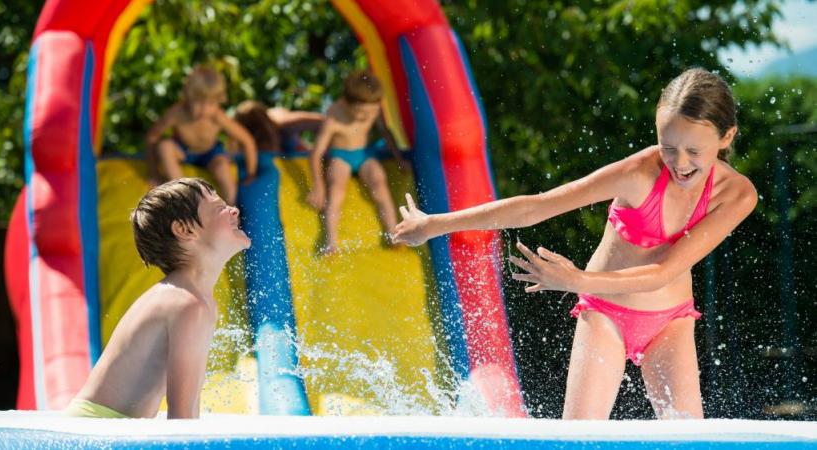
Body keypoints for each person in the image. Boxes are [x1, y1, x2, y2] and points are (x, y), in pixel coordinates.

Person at [393, 68, 757, 419]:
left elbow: (663, 271)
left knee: (686, 438)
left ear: (726, 137)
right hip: (605, 314)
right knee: (579, 439)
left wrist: (575, 280)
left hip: (671, 322)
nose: (679, 162)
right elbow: (537, 207)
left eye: (693, 150)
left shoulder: (737, 195)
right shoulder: (639, 173)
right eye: (668, 147)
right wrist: (434, 224)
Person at [64, 178, 251, 419]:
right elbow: (182, 418)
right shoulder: (186, 303)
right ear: (185, 230)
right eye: (219, 208)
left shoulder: (190, 299)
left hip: (102, 426)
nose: (234, 210)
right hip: (97, 428)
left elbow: (188, 409)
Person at [306, 70, 406, 255]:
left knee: (379, 181)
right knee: (336, 188)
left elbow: (386, 133)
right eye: (361, 113)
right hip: (341, 156)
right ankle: (330, 242)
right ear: (346, 103)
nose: (366, 117)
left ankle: (393, 231)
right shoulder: (334, 116)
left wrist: (399, 159)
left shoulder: (372, 108)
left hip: (365, 154)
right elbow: (316, 153)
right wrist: (318, 185)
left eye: (371, 112)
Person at [146, 65, 257, 205]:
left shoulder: (217, 116)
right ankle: (183, 194)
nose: (204, 109)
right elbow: (152, 137)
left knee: (223, 167)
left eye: (210, 103)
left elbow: (247, 140)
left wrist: (251, 173)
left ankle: (230, 209)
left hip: (210, 153)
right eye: (198, 102)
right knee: (164, 146)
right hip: (183, 151)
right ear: (187, 98)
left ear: (219, 101)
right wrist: (154, 172)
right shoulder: (177, 113)